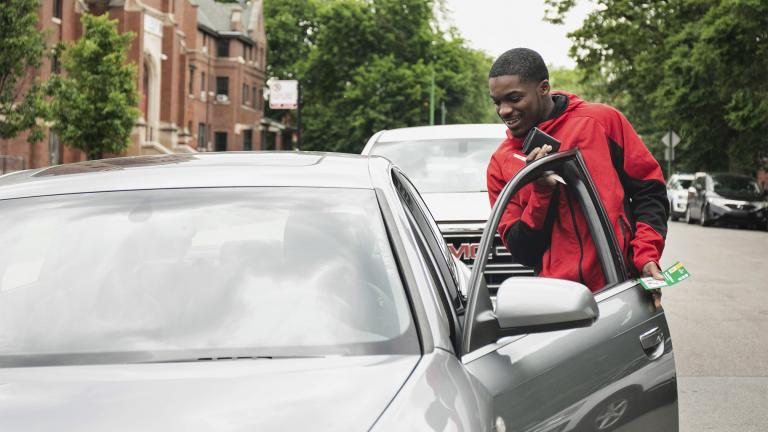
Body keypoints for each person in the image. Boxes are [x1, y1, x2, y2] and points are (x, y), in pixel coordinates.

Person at [486, 48, 668, 303]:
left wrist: (646, 257)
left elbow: (650, 192)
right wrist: (541, 192)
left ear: (544, 88)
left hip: (623, 287)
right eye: (497, 102)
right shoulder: (501, 163)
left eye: (514, 98)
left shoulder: (601, 121)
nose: (504, 110)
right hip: (557, 302)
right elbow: (523, 251)